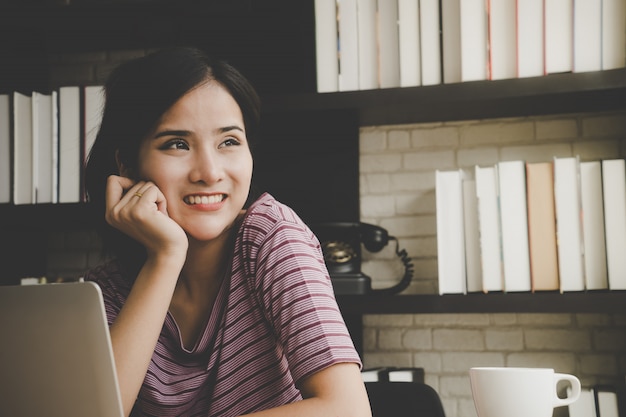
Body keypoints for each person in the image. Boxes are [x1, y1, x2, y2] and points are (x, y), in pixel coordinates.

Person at [83, 46, 371, 417]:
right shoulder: (107, 290)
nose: (209, 171)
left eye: (229, 142)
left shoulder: (271, 236)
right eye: (177, 144)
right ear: (128, 163)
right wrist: (166, 258)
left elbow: (347, 409)